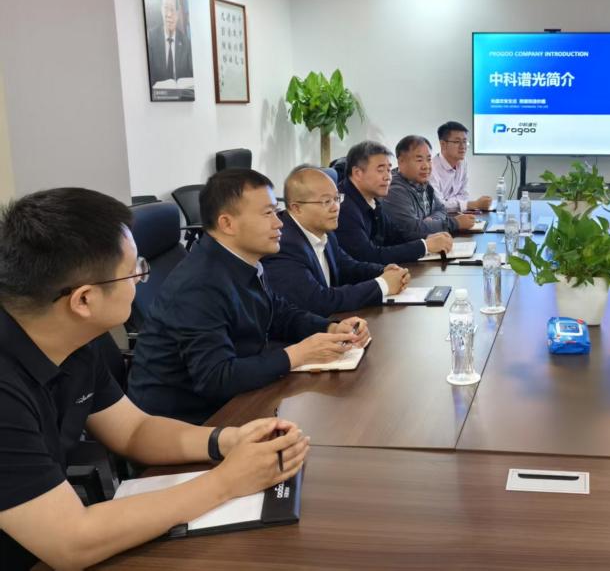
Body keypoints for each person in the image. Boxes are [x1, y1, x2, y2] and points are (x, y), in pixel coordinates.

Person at [0, 188, 310, 570]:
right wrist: (227, 482)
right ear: (83, 300)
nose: (142, 280)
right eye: (134, 271)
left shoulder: (76, 340)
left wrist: (225, 440)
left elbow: (133, 430)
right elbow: (70, 541)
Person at [128, 169, 371, 424]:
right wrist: (297, 354)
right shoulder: (199, 285)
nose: (279, 223)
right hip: (186, 422)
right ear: (227, 224)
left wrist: (331, 328)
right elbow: (217, 378)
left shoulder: (244, 260)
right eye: (267, 214)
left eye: (276, 211)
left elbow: (279, 313)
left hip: (236, 399)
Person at [264, 165, 411, 317]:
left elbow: (347, 267)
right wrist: (383, 285)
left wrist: (384, 271)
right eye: (326, 201)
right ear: (296, 208)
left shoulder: (325, 231)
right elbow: (318, 301)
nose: (335, 207)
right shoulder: (283, 244)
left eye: (336, 198)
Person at [338, 140, 453, 265]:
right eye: (380, 170)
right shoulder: (343, 208)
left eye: (388, 170)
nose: (388, 177)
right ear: (357, 173)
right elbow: (368, 256)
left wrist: (428, 238)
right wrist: (425, 246)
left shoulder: (371, 199)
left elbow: (395, 236)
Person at [383, 135, 477, 237]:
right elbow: (412, 229)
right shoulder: (394, 189)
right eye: (419, 160)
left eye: (428, 159)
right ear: (401, 162)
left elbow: (441, 209)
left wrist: (431, 220)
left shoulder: (423, 183)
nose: (426, 166)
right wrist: (455, 223)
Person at [430, 121, 493, 213]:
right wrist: (473, 204)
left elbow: (464, 195)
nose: (463, 146)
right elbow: (438, 205)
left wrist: (450, 202)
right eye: (457, 142)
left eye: (465, 141)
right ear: (443, 144)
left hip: (457, 214)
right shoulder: (430, 169)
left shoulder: (462, 163)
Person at [146, 0, 193, 84]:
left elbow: (192, 77)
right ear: (161, 10)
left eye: (172, 9)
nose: (169, 14)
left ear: (177, 13)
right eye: (166, 8)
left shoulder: (186, 43)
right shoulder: (151, 38)